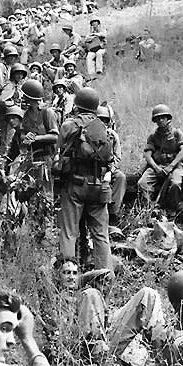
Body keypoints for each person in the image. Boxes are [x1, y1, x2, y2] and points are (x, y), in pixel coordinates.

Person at [56, 87, 113, 270]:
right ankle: (105, 276)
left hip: (75, 184)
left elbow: (59, 151)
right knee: (101, 235)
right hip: (98, 185)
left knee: (69, 232)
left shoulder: (69, 126)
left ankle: (67, 276)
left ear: (77, 105)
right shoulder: (103, 128)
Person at [137, 104, 183, 213]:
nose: (160, 120)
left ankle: (172, 210)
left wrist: (171, 166)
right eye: (157, 118)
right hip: (158, 166)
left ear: (168, 118)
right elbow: (147, 154)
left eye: (163, 118)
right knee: (142, 183)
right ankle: (149, 209)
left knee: (175, 184)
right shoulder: (153, 136)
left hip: (176, 166)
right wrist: (156, 168)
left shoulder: (177, 133)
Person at [97, 106, 126, 229]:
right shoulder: (88, 134)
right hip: (93, 169)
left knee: (120, 177)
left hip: (108, 168)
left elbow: (117, 157)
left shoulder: (112, 136)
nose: (102, 123)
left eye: (105, 120)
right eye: (100, 120)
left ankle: (113, 213)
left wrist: (110, 170)